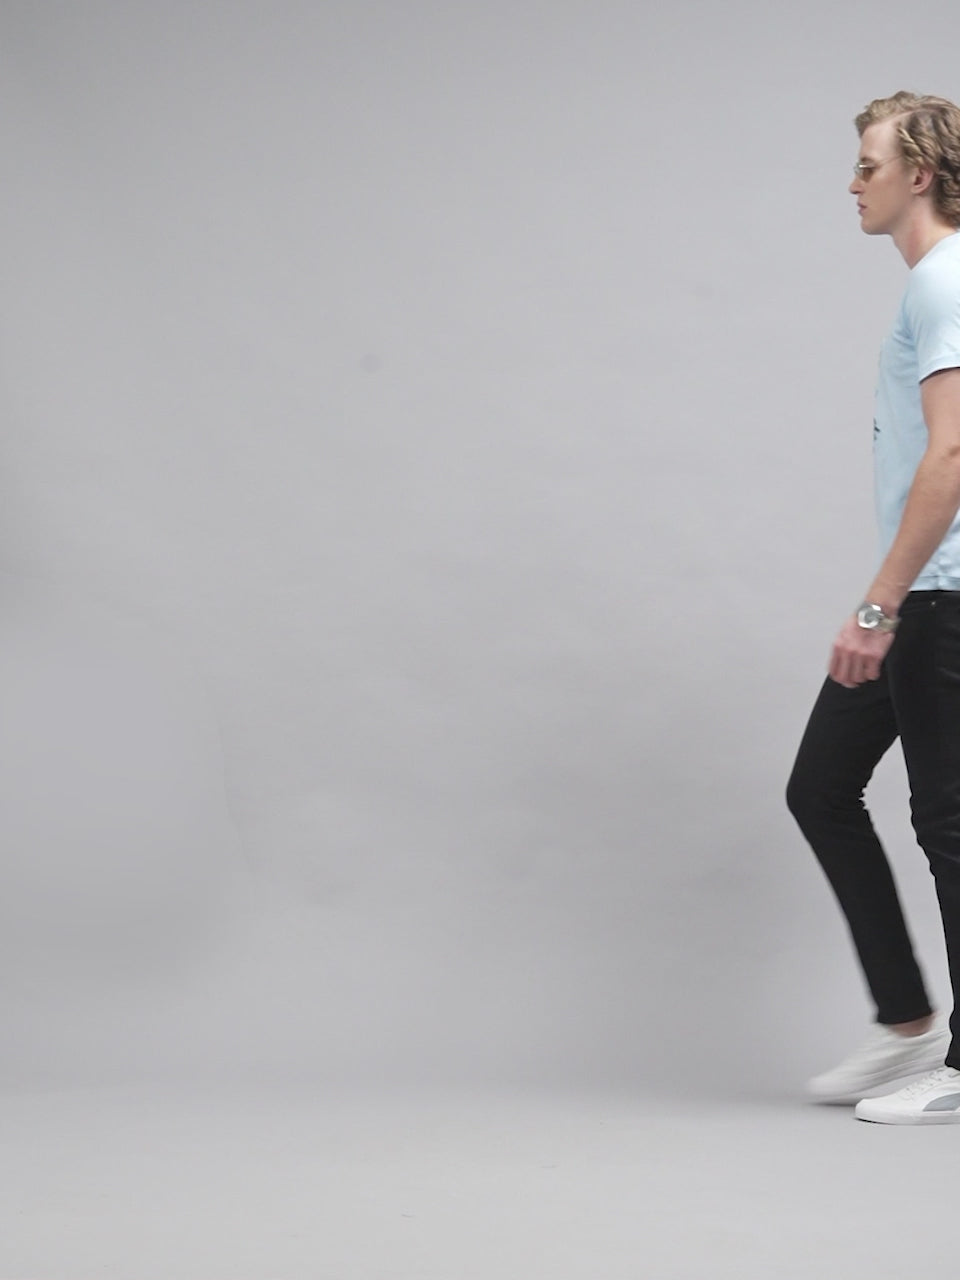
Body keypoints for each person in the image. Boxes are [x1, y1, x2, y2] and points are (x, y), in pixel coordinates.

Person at [787, 91, 960, 1125]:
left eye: (867, 165)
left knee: (947, 820)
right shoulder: (933, 282)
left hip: (942, 596)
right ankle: (907, 1024)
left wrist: (877, 603)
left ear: (920, 175)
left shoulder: (946, 279)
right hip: (925, 591)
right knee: (820, 787)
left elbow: (953, 451)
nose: (852, 184)